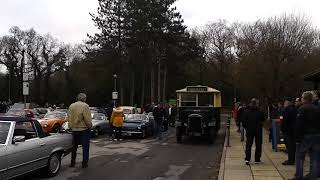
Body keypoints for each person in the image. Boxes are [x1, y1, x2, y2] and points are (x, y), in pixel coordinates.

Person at [290, 91, 320, 180]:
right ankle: (313, 177)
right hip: (317, 135)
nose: (301, 99)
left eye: (302, 98)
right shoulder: (318, 109)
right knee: (314, 158)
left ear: (305, 99)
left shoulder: (302, 109)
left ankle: (298, 176)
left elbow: (299, 125)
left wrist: (297, 138)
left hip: (305, 136)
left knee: (299, 157)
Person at [68, 93, 92, 168]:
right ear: (84, 98)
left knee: (74, 147)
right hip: (83, 129)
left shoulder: (71, 105)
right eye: (85, 98)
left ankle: (72, 163)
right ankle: (84, 163)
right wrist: (90, 126)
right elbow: (87, 118)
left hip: (74, 129)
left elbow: (69, 116)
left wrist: (71, 126)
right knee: (85, 148)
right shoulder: (85, 106)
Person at [243, 98, 265, 165]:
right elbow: (263, 119)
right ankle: (257, 159)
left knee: (248, 144)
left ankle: (247, 159)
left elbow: (243, 121)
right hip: (258, 130)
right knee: (258, 144)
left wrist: (246, 127)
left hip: (249, 130)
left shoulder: (246, 111)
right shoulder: (260, 111)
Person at [281, 99, 297, 165]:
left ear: (286, 104)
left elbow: (284, 121)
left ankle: (290, 160)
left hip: (287, 130)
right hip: (294, 130)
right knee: (293, 145)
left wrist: (282, 129)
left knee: (289, 145)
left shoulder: (286, 110)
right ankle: (293, 159)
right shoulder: (295, 109)